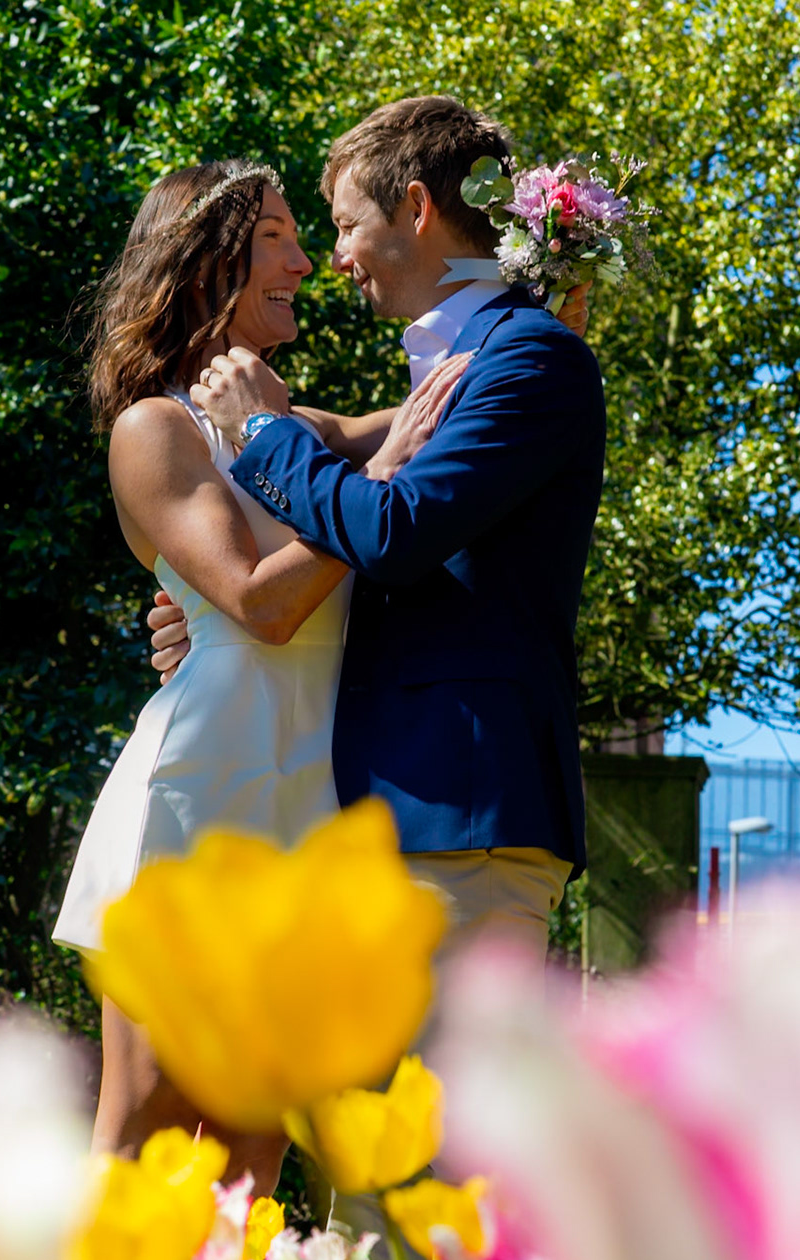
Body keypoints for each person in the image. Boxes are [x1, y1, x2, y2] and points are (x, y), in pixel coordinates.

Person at [51, 159, 467, 1195]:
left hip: (308, 793)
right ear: (206, 263)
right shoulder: (155, 430)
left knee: (254, 1145)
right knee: (147, 1122)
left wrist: (547, 296)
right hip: (200, 792)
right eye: (278, 236)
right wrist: (374, 484)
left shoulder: (292, 427)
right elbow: (258, 602)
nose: (304, 262)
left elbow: (441, 409)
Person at [162, 96, 608, 977]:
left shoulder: (531, 357)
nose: (333, 257)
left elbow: (397, 532)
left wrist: (263, 434)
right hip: (385, 819)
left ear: (414, 207)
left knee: (439, 1116)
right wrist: (204, 614)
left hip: (460, 821)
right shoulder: (465, 364)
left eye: (344, 224)